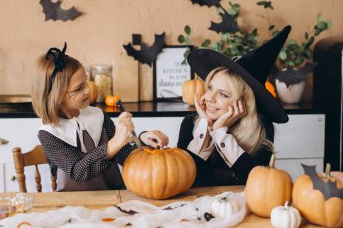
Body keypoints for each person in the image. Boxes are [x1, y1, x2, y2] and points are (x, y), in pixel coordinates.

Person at [31, 43, 168, 191]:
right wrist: (113, 143)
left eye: (86, 82)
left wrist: (142, 140)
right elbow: (78, 172)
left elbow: (124, 155)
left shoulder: (98, 116)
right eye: (79, 88)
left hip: (114, 196)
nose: (88, 89)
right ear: (56, 96)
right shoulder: (48, 134)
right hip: (74, 205)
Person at [177, 26, 291, 186]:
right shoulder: (190, 124)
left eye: (223, 94)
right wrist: (207, 126)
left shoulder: (262, 131)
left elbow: (257, 182)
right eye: (210, 87)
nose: (210, 98)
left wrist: (220, 133)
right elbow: (180, 175)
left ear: (244, 102)